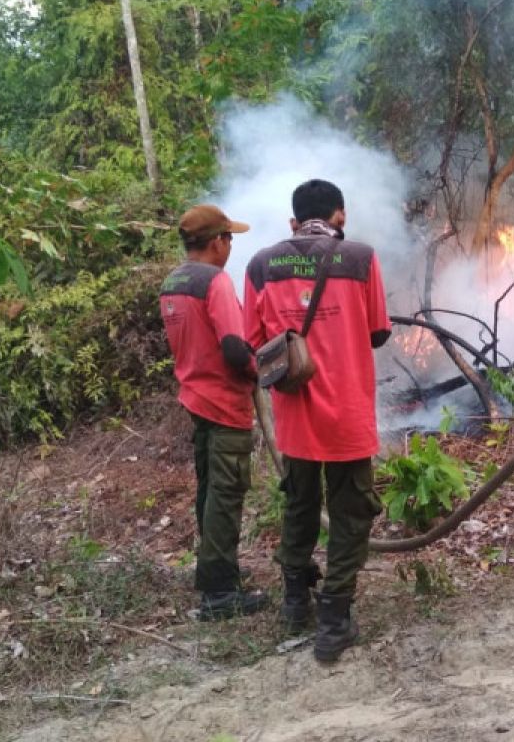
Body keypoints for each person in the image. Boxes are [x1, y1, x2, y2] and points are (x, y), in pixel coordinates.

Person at [243, 179, 392, 663]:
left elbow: (256, 342)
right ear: (340, 216)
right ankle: (334, 619)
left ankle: (293, 603)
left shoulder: (261, 264)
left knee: (300, 505)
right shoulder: (362, 258)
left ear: (293, 222)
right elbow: (377, 334)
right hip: (347, 414)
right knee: (350, 514)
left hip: (295, 417)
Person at [160, 204, 267, 621]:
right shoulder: (216, 282)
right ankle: (220, 595)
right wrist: (261, 368)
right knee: (225, 493)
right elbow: (233, 347)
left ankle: (216, 575)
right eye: (230, 239)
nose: (230, 247)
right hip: (224, 403)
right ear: (218, 241)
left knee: (209, 493)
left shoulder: (174, 282)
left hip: (194, 397)